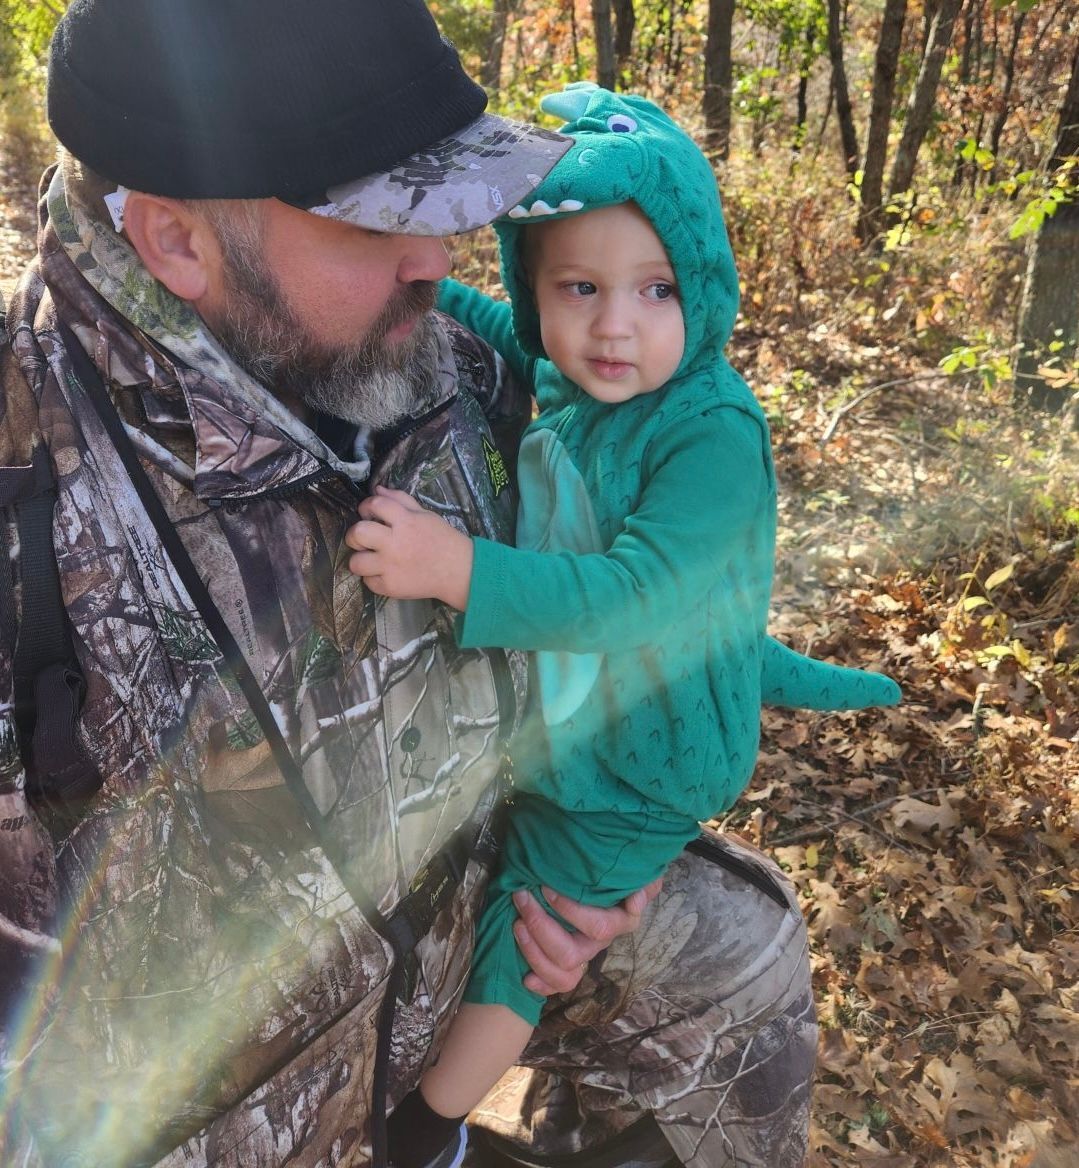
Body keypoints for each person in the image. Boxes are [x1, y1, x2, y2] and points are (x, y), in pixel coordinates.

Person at [0, 5, 823, 1168]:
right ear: (178, 242)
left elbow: (626, 605)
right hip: (211, 1100)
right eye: (383, 213)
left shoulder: (460, 366)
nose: (438, 255)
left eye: (445, 199)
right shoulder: (30, 487)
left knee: (738, 955)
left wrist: (599, 860)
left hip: (455, 944)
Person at [348, 86, 901, 1168]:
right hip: (579, 726)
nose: (613, 325)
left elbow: (642, 595)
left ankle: (424, 1131)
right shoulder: (577, 368)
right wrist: (417, 283)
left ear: (702, 285)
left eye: (655, 289)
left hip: (640, 762)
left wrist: (454, 568)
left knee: (532, 927)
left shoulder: (706, 433)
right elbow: (505, 328)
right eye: (579, 287)